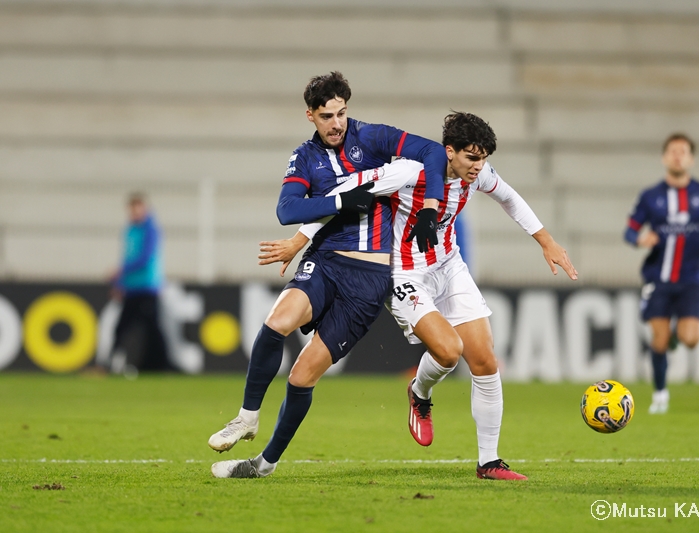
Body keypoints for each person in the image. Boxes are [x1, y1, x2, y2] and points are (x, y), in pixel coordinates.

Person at [256, 112, 578, 480]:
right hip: (404, 274)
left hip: (449, 266)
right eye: (472, 158)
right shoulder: (408, 172)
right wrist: (300, 240)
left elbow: (509, 198)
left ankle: (488, 462)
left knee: (485, 360)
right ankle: (419, 392)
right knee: (448, 351)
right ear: (449, 151)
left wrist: (546, 241)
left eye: (484, 158)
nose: (480, 166)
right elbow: (346, 192)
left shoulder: (477, 175)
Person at [208, 71, 447, 478]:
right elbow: (287, 210)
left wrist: (431, 206)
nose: (336, 123)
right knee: (276, 321)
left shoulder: (372, 138)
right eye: (326, 116)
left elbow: (434, 153)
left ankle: (263, 465)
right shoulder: (305, 157)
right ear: (310, 116)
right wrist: (341, 200)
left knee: (301, 376)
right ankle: (247, 417)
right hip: (327, 260)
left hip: (369, 280)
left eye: (341, 113)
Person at [624, 133, 699, 414]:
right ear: (664, 157)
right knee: (658, 339)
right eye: (673, 151)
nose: (677, 155)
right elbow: (629, 230)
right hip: (658, 279)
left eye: (683, 151)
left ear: (691, 158)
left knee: (691, 339)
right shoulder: (651, 197)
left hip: (690, 280)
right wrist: (639, 239)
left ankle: (676, 334)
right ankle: (660, 395)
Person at [109, 192, 170, 373]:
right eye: (132, 209)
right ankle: (113, 363)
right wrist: (120, 284)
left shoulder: (151, 229)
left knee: (151, 330)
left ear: (145, 208)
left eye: (138, 208)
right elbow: (127, 257)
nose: (135, 212)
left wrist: (120, 272)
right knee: (124, 327)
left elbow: (143, 259)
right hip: (132, 288)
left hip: (147, 287)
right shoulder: (129, 230)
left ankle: (161, 365)